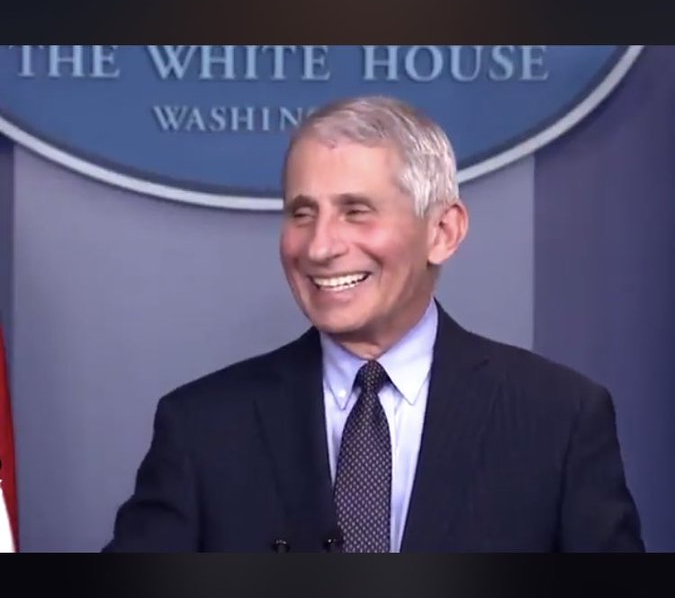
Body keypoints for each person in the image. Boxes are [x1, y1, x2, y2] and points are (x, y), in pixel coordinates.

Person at [104, 96, 644, 553]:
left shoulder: (558, 420)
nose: (320, 247)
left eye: (356, 211)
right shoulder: (201, 428)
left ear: (443, 232)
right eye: (302, 213)